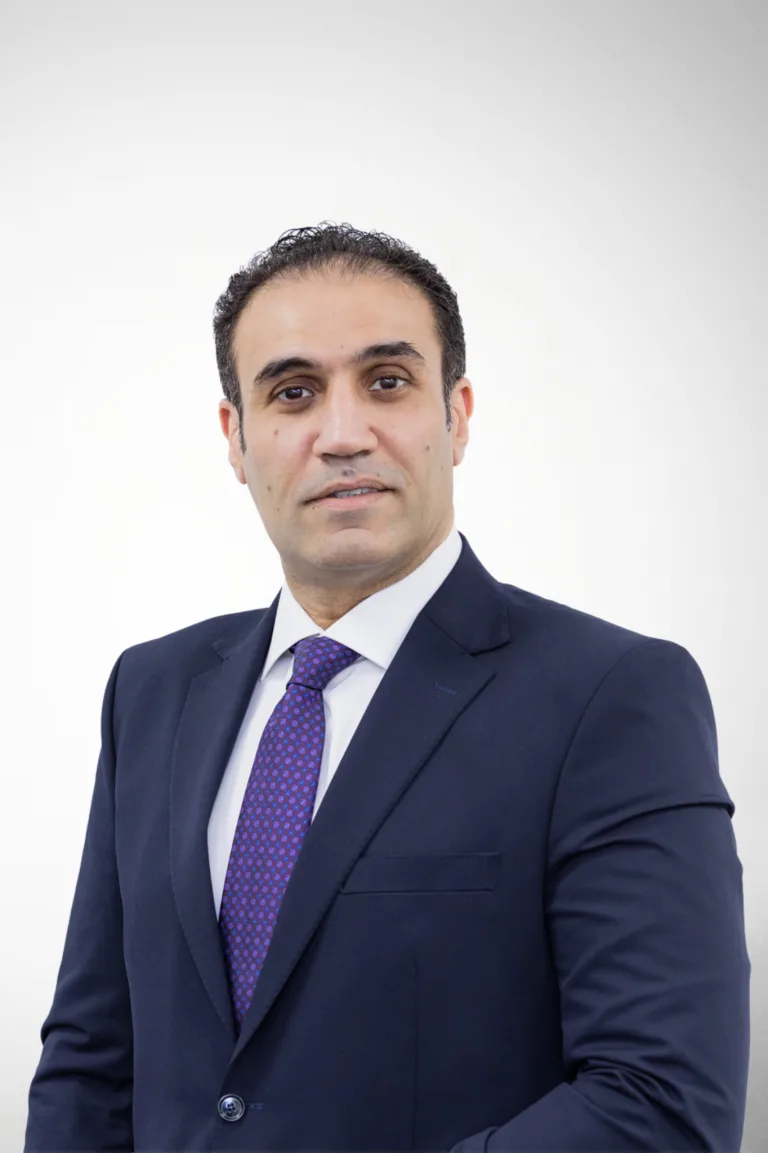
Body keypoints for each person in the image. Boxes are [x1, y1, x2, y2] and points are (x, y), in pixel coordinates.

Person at [25, 222, 750, 1153]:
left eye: (388, 381)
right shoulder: (152, 691)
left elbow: (659, 1102)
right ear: (236, 439)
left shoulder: (611, 697)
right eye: (293, 392)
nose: (342, 434)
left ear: (457, 415)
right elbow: (92, 1064)